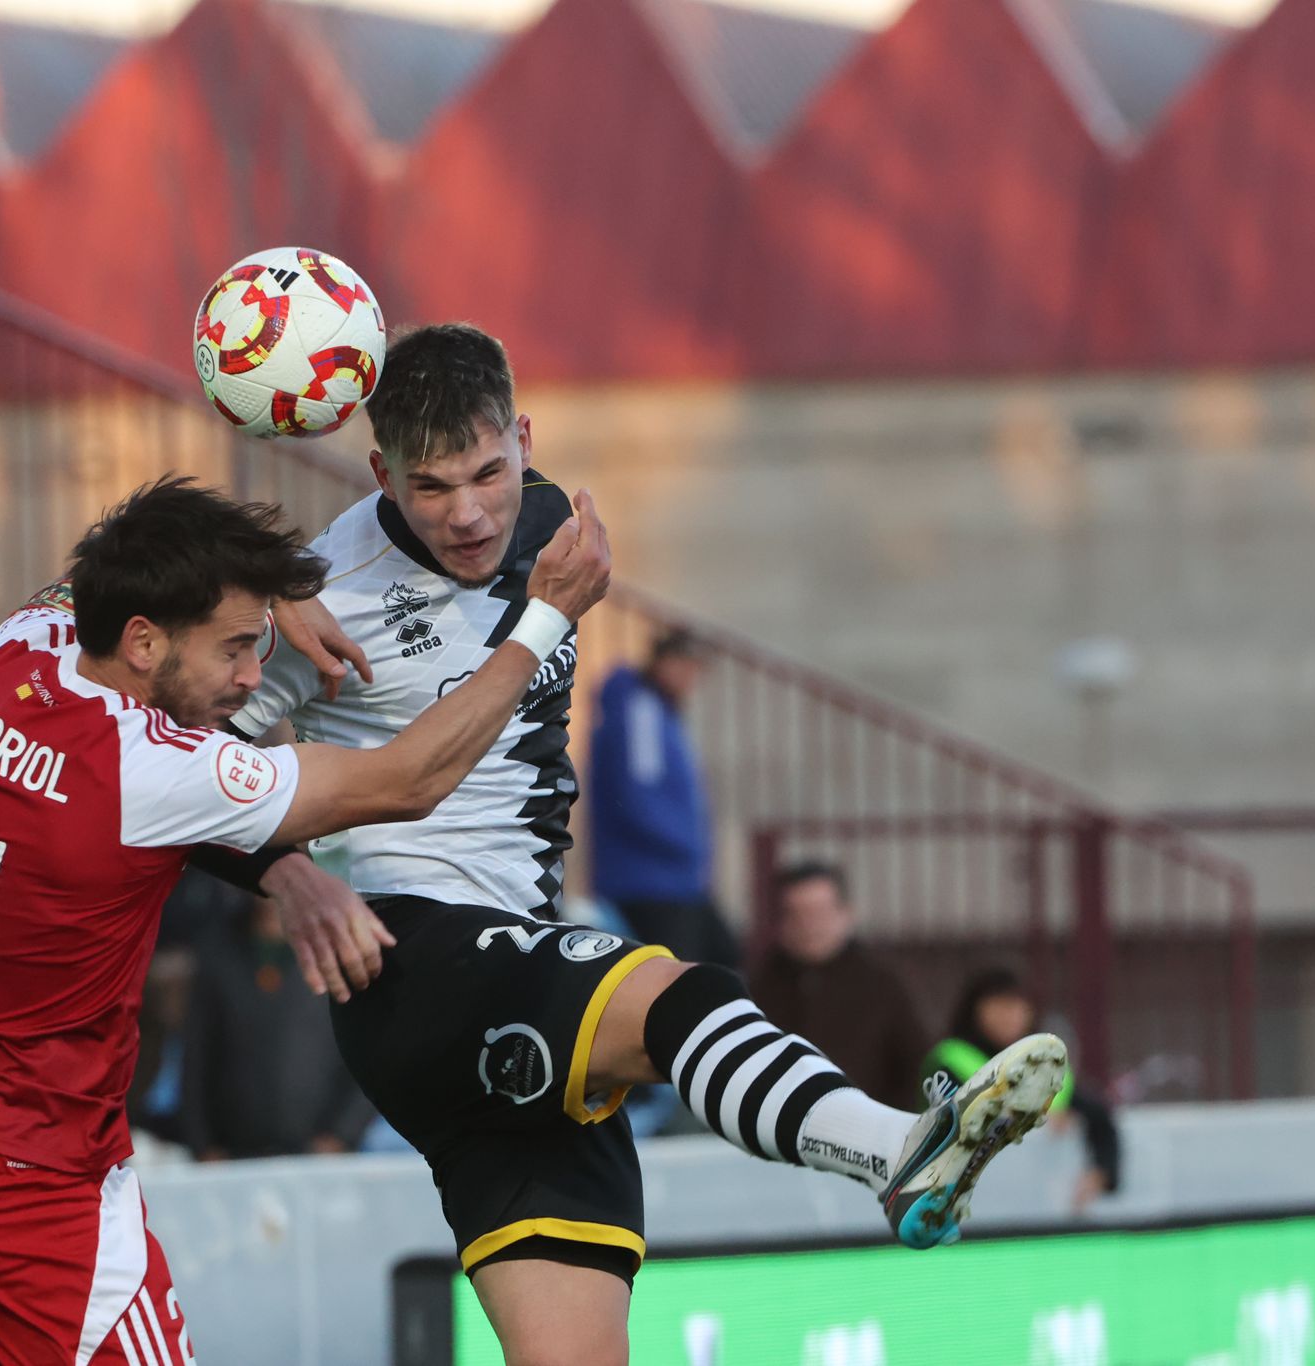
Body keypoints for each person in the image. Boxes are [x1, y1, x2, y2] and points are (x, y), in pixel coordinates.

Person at [224, 323, 1065, 1364]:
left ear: (524, 441)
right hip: (413, 958)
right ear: (378, 472)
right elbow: (173, 763)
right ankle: (897, 1147)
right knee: (684, 996)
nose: (468, 511)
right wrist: (290, 871)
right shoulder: (321, 599)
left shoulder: (546, 526)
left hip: (516, 979)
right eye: (430, 487)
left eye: (488, 471)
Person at [0, 473, 611, 1366]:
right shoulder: (148, 766)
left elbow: (95, 566)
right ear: (143, 640)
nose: (253, 675)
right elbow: (408, 781)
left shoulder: (20, 648)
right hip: (24, 1180)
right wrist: (540, 619)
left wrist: (274, 595)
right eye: (236, 648)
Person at [178, 897, 374, 1161]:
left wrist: (342, 1135)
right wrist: (201, 1144)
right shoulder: (218, 950)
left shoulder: (337, 949)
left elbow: (370, 1051)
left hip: (321, 1156)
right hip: (233, 1155)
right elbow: (197, 1054)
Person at [588, 627, 735, 965]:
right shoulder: (641, 711)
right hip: (650, 882)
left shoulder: (653, 711)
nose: (691, 677)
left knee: (720, 956)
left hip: (668, 879)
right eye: (685, 664)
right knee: (681, 978)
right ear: (662, 662)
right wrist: (687, 845)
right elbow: (640, 795)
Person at [926, 967, 1121, 1213]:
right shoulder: (952, 1062)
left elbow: (1099, 1117)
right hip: (970, 1203)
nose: (1011, 1016)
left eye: (1017, 1006)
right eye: (1000, 1006)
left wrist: (1099, 1175)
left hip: (1041, 1206)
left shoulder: (1044, 1066)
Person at [745, 861, 930, 1112]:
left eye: (819, 912)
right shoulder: (758, 987)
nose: (808, 925)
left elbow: (918, 1068)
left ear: (846, 913)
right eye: (796, 914)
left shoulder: (882, 985)